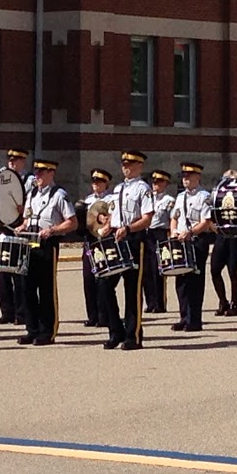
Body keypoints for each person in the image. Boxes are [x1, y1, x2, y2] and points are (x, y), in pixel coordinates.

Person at [15, 159, 78, 345]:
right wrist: (21, 227)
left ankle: (47, 331)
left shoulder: (59, 195)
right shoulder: (32, 194)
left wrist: (53, 230)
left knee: (46, 289)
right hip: (29, 243)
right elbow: (27, 219)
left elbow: (72, 222)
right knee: (27, 288)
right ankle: (32, 329)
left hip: (47, 245)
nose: (38, 175)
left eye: (42, 172)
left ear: (51, 173)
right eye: (36, 172)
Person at [97, 150, 154, 350]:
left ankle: (133, 335)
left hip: (134, 238)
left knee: (132, 289)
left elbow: (147, 218)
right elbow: (113, 214)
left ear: (140, 165)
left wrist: (129, 228)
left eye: (130, 164)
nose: (126, 167)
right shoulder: (118, 189)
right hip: (116, 238)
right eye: (124, 164)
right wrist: (106, 227)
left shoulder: (143, 188)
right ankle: (116, 330)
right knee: (105, 284)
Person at [170, 162, 214, 332]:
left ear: (198, 177)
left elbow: (206, 221)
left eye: (189, 176)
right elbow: (174, 217)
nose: (185, 179)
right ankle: (183, 316)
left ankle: (194, 319)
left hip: (196, 241)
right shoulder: (180, 197)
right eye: (184, 176)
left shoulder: (204, 196)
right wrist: (173, 231)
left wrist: (190, 232)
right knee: (181, 281)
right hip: (181, 241)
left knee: (195, 282)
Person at [0, 147, 31, 326]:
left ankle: (21, 312)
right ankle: (6, 312)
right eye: (10, 159)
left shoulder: (29, 180)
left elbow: (33, 205)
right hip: (4, 225)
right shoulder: (1, 177)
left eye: (16, 159)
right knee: (2, 270)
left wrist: (24, 211)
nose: (12, 162)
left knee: (19, 271)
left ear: (23, 161)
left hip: (20, 227)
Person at [209, 168, 237, 316]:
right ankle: (222, 301)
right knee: (214, 269)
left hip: (236, 236)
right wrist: (214, 227)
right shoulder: (217, 195)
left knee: (233, 272)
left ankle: (234, 303)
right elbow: (209, 214)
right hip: (222, 236)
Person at [81, 168, 112, 327]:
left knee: (103, 279)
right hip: (90, 240)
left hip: (105, 241)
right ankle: (92, 315)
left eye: (99, 182)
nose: (95, 184)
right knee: (88, 277)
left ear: (106, 183)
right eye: (94, 181)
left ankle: (103, 315)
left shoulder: (111, 199)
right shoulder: (87, 200)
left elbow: (112, 217)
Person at [144, 169, 175, 314]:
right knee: (146, 270)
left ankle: (160, 303)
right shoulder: (148, 198)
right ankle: (150, 302)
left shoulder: (168, 201)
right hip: (147, 233)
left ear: (165, 184)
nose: (155, 184)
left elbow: (171, 219)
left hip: (160, 234)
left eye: (159, 182)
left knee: (158, 270)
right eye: (154, 182)